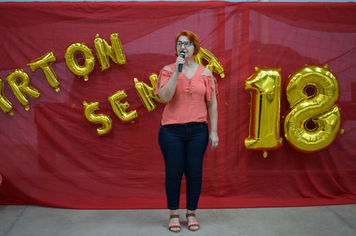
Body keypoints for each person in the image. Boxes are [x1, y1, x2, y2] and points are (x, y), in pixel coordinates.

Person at [155, 30, 219, 233]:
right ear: (176, 49)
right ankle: (174, 214)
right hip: (171, 131)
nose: (184, 47)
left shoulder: (206, 74)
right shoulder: (167, 70)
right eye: (180, 44)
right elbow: (164, 97)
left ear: (195, 48)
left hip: (198, 131)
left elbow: (212, 104)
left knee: (194, 173)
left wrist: (213, 132)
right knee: (174, 173)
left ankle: (191, 212)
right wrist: (177, 71)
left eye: (188, 43)